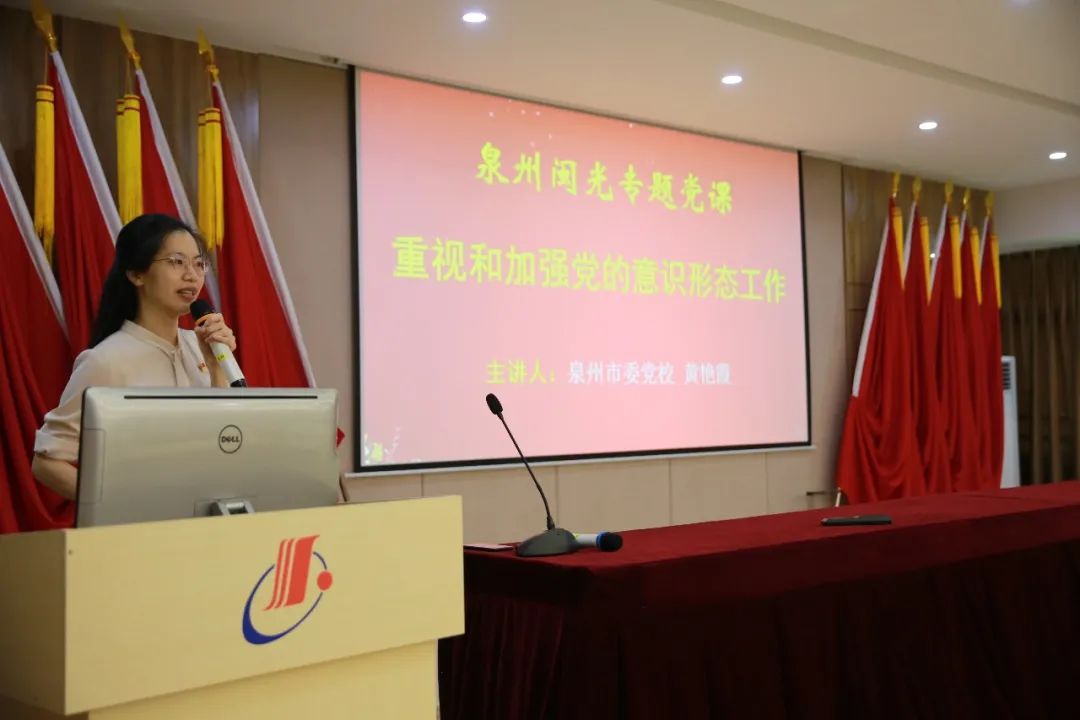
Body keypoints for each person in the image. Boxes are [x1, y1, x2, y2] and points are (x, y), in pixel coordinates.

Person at [31, 214, 237, 501]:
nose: (192, 275)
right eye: (176, 262)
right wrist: (119, 504)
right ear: (136, 274)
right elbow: (46, 463)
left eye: (199, 263)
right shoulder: (106, 361)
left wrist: (216, 369)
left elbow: (229, 440)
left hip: (206, 514)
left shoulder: (204, 346)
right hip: (143, 524)